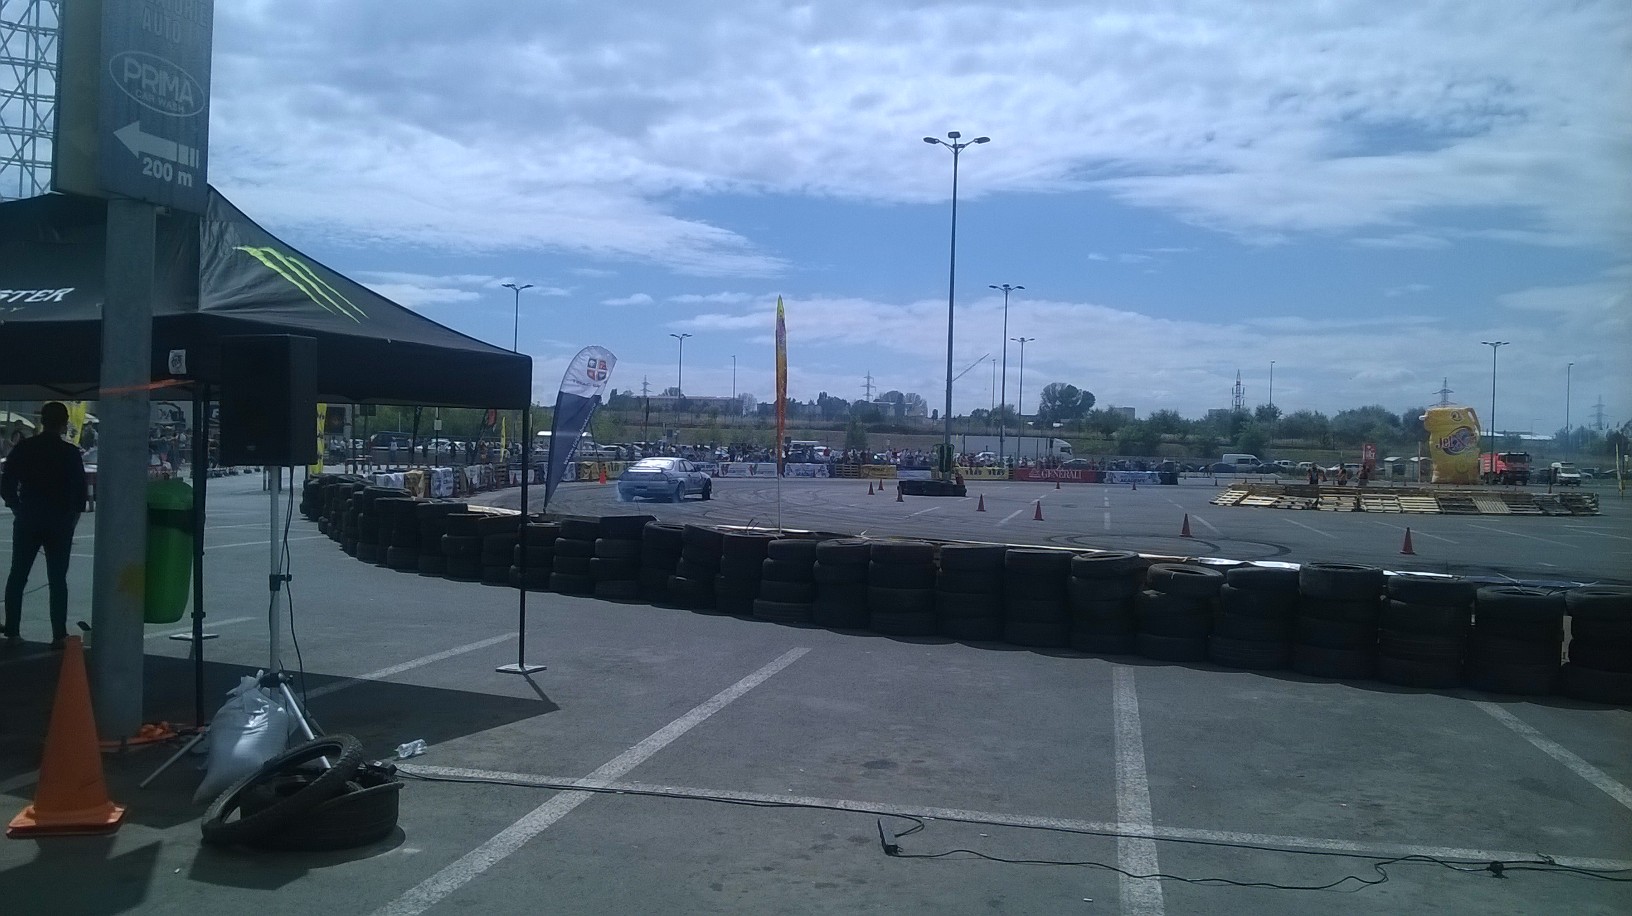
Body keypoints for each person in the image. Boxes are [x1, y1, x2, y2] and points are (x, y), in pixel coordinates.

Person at [2, 403, 88, 648]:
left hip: (29, 516)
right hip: (59, 520)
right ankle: (58, 634)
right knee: (58, 579)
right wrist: (73, 518)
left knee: (18, 575)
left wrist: (15, 505)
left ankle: (13, 630)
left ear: (42, 421)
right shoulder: (69, 452)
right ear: (64, 423)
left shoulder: (25, 448)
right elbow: (80, 490)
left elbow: (6, 480)